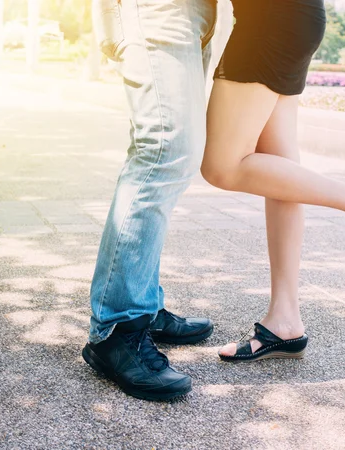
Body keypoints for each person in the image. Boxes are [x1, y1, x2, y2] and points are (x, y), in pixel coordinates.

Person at [200, 0, 345, 362]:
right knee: (278, 172)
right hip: (287, 18)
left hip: (269, 20)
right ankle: (284, 321)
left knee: (222, 166)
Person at [82, 0, 218, 401]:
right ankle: (118, 329)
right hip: (158, 9)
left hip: (190, 15)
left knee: (160, 154)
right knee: (162, 153)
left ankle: (141, 302)